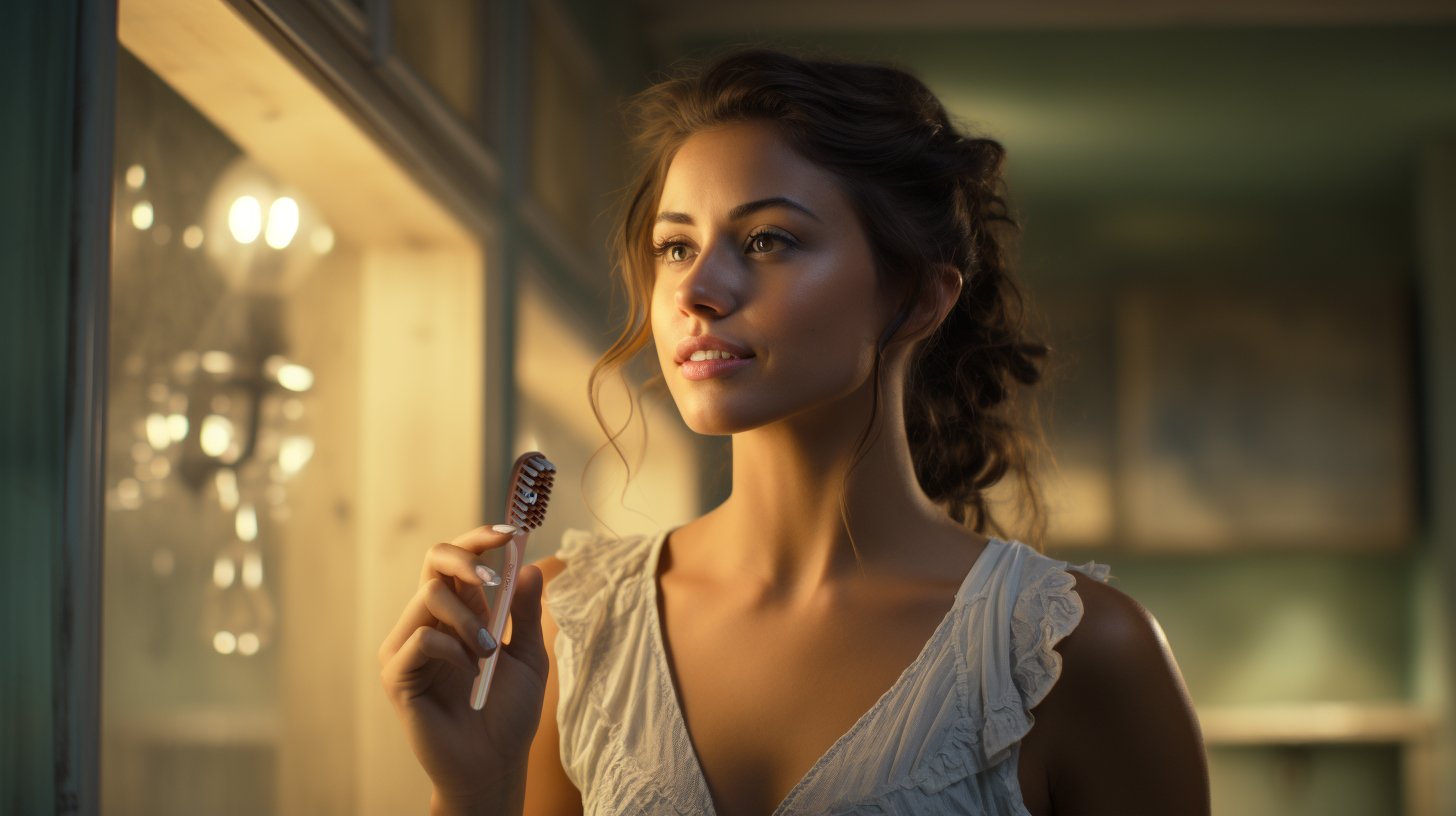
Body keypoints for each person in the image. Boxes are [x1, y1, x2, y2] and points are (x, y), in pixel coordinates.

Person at [379, 48, 1209, 815]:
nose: (696, 289)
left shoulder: (1076, 652)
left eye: (767, 240)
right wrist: (475, 789)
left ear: (919, 296)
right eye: (674, 246)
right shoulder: (563, 628)